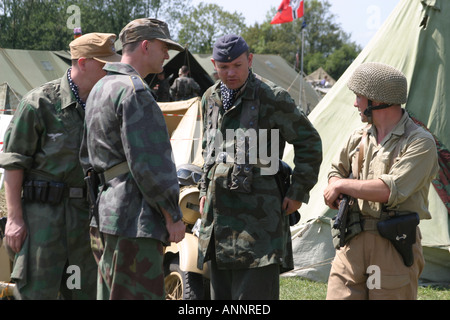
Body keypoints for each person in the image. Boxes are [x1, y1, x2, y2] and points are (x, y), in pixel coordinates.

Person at [197, 34, 322, 300]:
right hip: (218, 223)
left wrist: (298, 191)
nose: (230, 73)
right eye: (223, 66)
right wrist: (202, 190)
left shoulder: (272, 97)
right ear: (214, 64)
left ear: (250, 60)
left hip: (258, 224)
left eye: (237, 66)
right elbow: (209, 149)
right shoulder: (209, 98)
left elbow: (309, 141)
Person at [0, 33, 121, 299]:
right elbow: (13, 164)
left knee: (82, 293)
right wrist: (14, 218)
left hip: (84, 224)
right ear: (83, 62)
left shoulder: (105, 107)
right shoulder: (39, 104)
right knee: (36, 293)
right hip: (42, 223)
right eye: (104, 63)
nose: (111, 70)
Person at [80, 18, 186, 300]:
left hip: (106, 215)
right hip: (134, 222)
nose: (167, 55)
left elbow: (86, 158)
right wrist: (172, 214)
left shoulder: (100, 88)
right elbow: (149, 164)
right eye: (164, 47)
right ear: (145, 45)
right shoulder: (135, 91)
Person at [323, 62, 439, 300]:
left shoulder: (419, 142)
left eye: (359, 97)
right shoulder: (359, 137)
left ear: (376, 101)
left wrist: (341, 185)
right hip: (351, 239)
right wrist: (334, 183)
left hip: (393, 244)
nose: (355, 103)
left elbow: (388, 189)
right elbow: (336, 170)